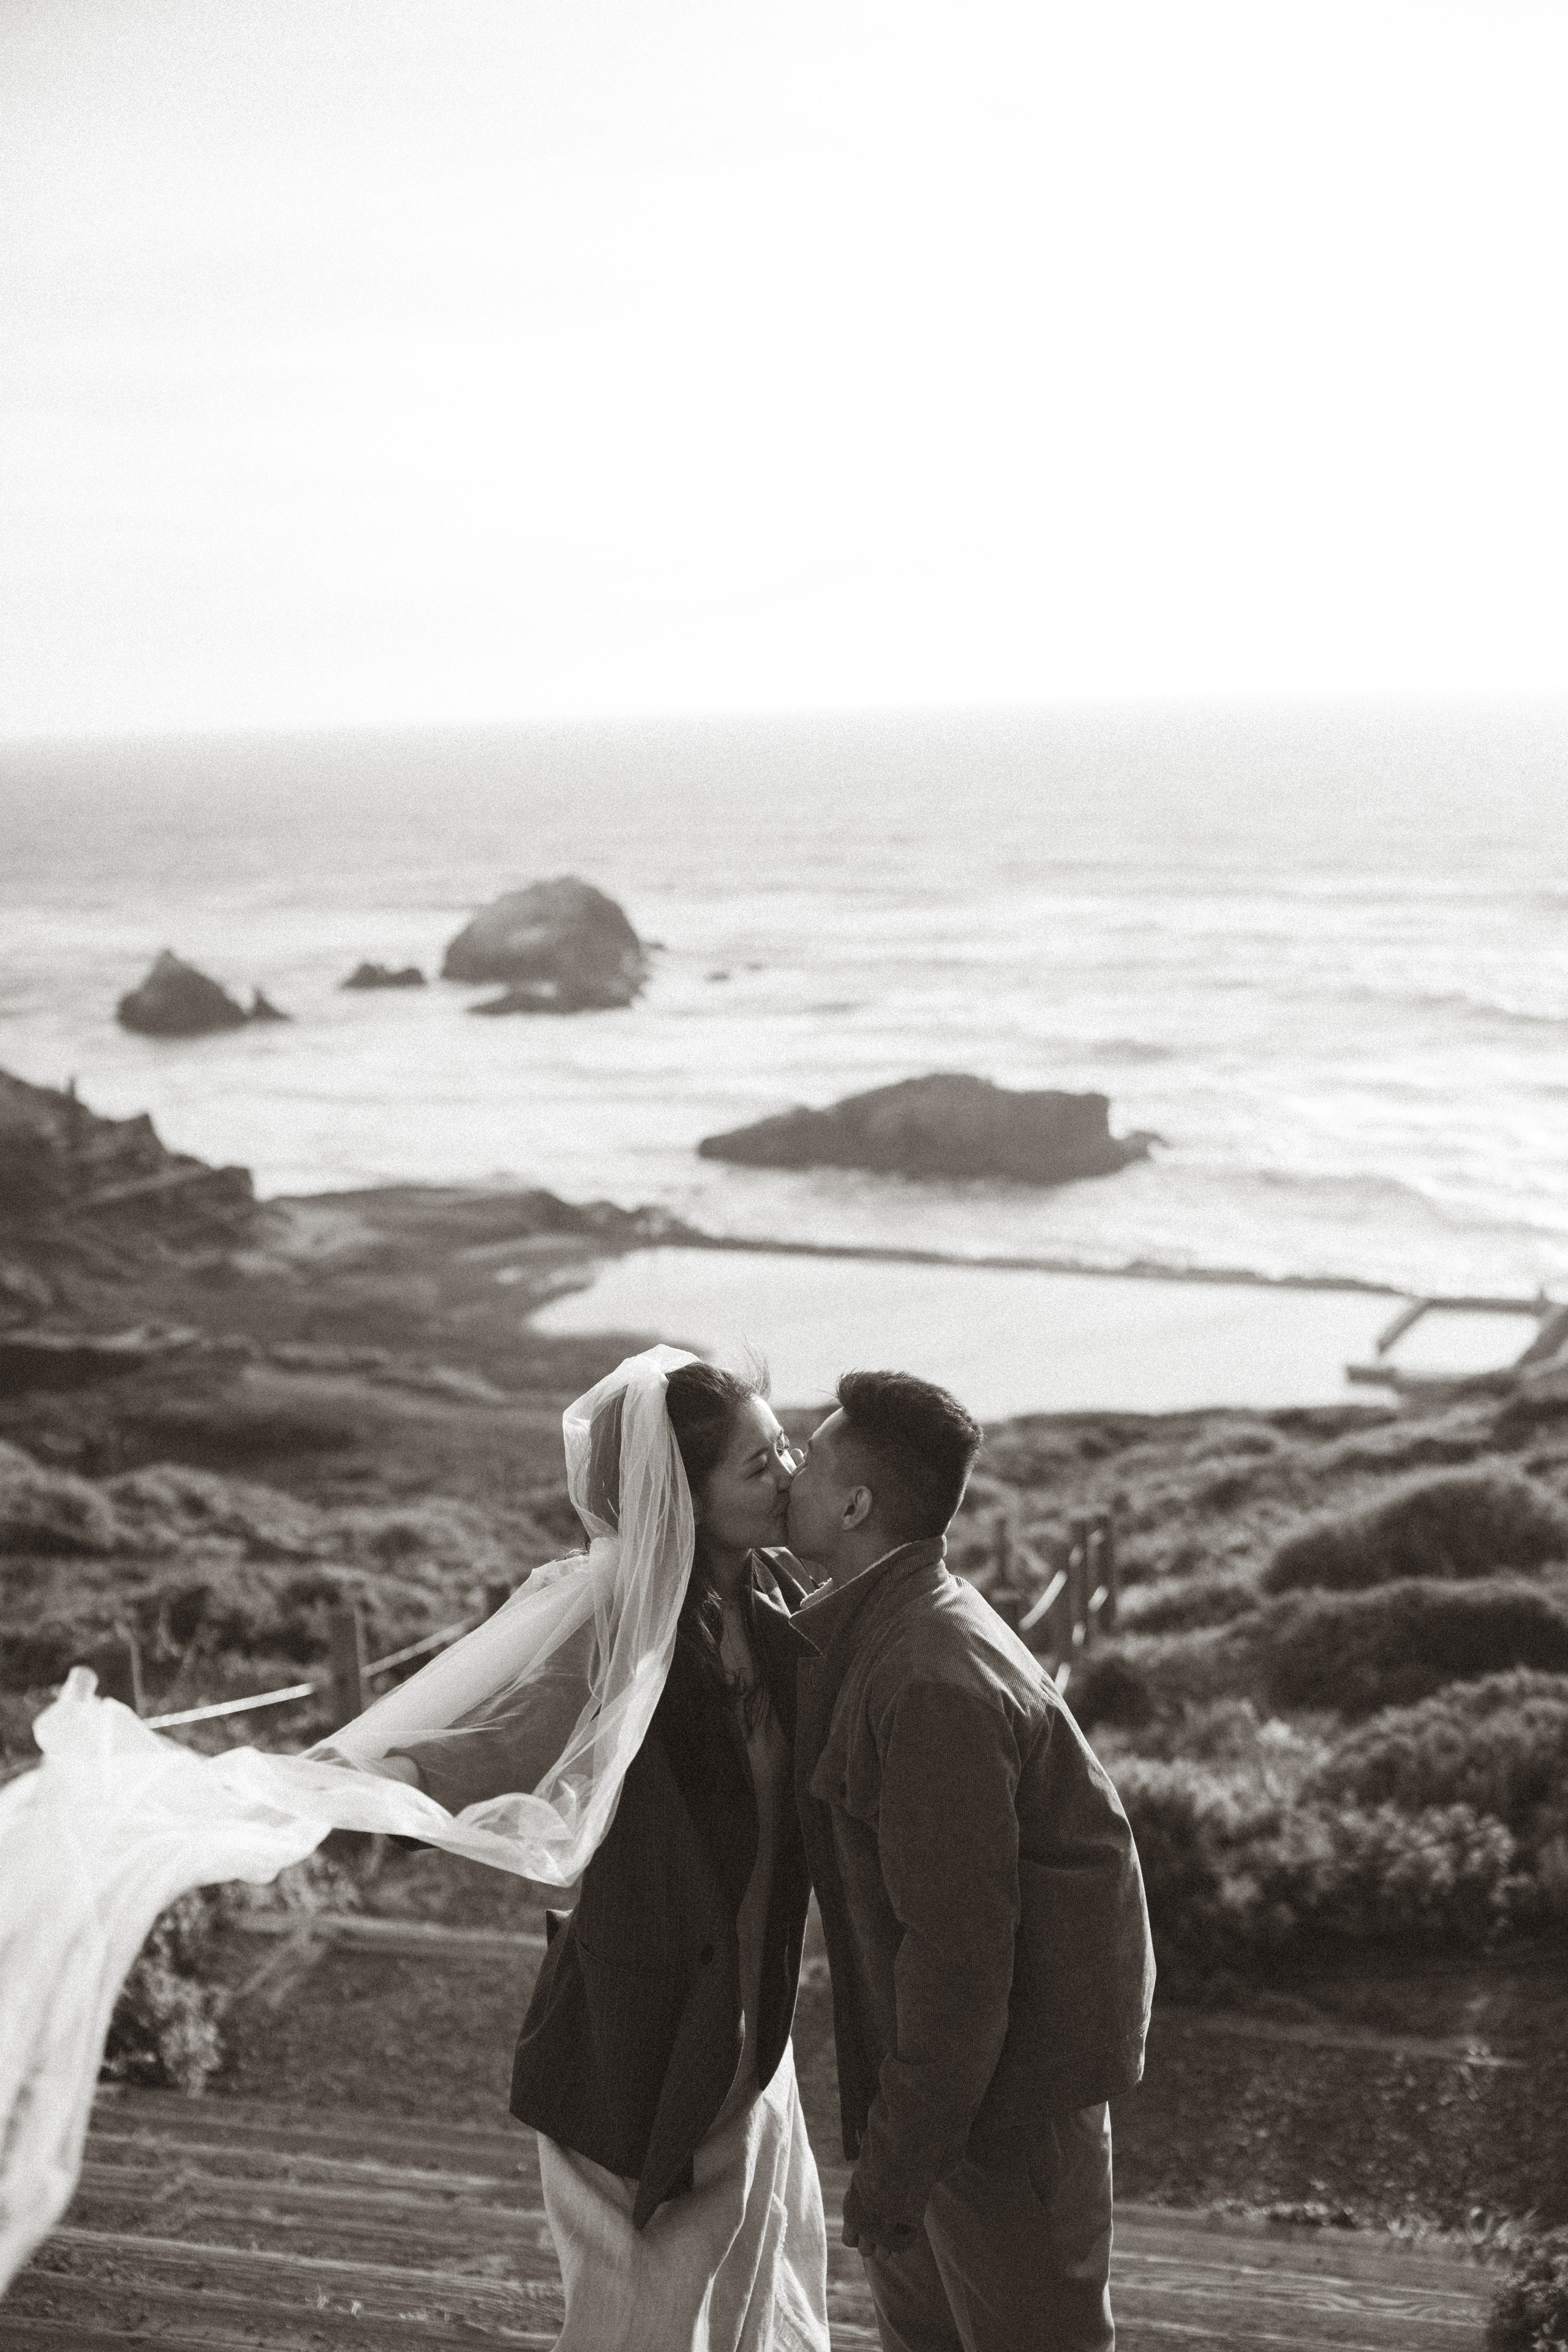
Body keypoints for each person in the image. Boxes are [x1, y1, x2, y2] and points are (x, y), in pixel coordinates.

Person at [365, 1356, 831, 2352]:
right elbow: (513, 1732)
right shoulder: (616, 1620)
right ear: (684, 1497)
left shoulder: (777, 1601)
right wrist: (378, 1787)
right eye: (759, 1465)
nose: (789, 1474)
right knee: (633, 2324)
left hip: (752, 2035)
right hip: (640, 2037)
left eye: (785, 1448)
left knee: (750, 2309)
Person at [783, 1369, 1156, 2352]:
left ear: (856, 1506)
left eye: (807, 1458)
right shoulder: (895, 1619)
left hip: (1000, 2108)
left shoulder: (928, 1681)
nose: (787, 1471)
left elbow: (960, 1956)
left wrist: (900, 2158)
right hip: (952, 2094)